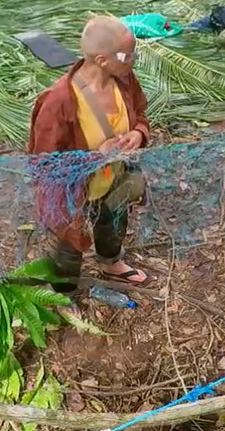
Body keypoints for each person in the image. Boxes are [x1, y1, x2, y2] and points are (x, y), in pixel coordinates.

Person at [29, 16, 152, 293]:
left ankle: (111, 263)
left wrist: (139, 133)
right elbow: (44, 165)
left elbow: (141, 114)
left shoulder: (125, 80)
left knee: (114, 220)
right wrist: (95, 156)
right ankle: (64, 294)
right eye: (127, 55)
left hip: (114, 178)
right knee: (68, 245)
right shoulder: (59, 101)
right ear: (102, 60)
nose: (133, 59)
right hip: (72, 191)